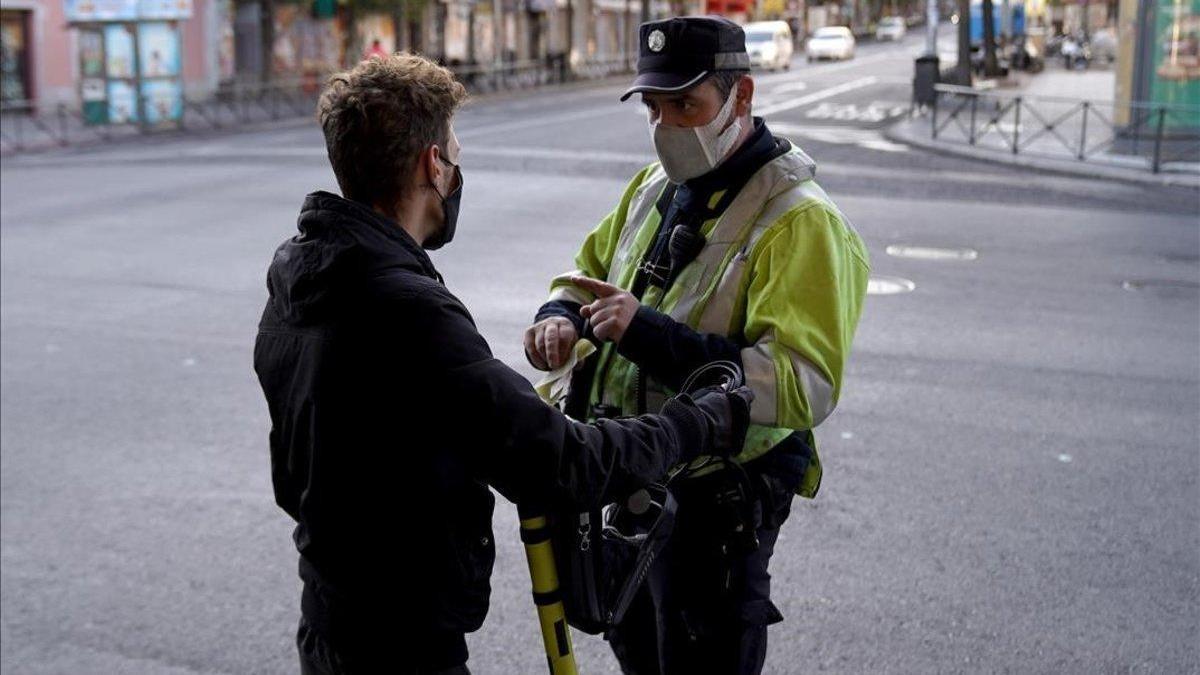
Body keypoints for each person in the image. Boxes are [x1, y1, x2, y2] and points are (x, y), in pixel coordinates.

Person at [253, 54, 753, 674]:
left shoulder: (298, 279)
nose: (457, 171)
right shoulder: (409, 313)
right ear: (432, 165)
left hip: (330, 619)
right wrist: (694, 426)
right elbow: (560, 462)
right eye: (454, 155)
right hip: (402, 645)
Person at [525, 16, 870, 675]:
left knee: (702, 654)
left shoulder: (801, 218)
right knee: (640, 649)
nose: (667, 126)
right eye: (655, 108)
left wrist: (644, 332)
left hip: (719, 503)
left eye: (687, 105)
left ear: (742, 98)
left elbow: (803, 382)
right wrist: (559, 318)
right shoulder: (654, 187)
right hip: (636, 477)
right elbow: (587, 269)